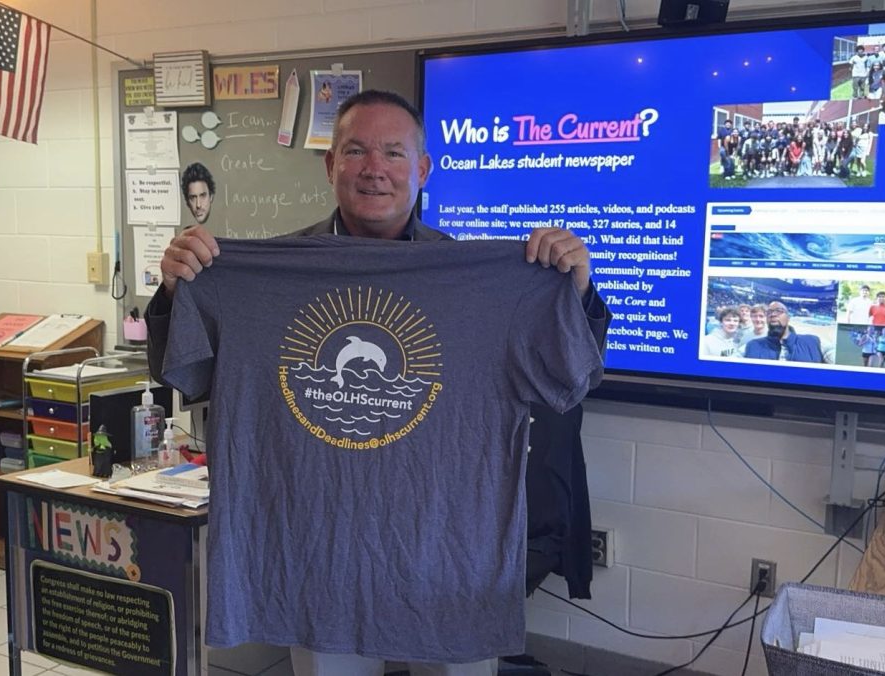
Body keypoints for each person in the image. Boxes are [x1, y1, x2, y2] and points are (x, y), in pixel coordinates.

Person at [146, 90, 609, 676]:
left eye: (393, 152)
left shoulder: (483, 279)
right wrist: (173, 291)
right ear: (330, 164)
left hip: (446, 550)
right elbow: (185, 371)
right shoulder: (261, 272)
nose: (374, 168)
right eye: (356, 150)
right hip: (315, 548)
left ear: (422, 169)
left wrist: (577, 289)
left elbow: (568, 379)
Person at [743, 301, 827, 363]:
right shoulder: (751, 345)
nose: (773, 314)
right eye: (769, 312)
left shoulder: (814, 342)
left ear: (788, 317)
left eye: (779, 311)